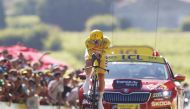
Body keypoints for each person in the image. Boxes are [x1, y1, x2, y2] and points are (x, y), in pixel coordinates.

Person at [83, 29, 111, 109]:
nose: (95, 43)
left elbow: (105, 53)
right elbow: (90, 54)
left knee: (101, 75)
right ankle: (87, 80)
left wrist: (99, 55)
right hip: (91, 53)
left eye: (97, 41)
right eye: (93, 41)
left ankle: (100, 102)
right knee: (88, 64)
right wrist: (94, 55)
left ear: (101, 39)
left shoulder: (106, 41)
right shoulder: (87, 41)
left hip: (103, 54)